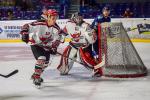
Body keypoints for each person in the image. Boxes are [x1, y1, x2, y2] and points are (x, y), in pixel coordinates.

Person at [20, 9, 66, 86]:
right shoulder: (39, 23)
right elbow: (26, 26)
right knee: (41, 58)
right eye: (52, 17)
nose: (54, 20)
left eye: (56, 18)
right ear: (48, 17)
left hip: (46, 46)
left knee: (46, 64)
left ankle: (35, 74)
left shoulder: (56, 28)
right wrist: (24, 33)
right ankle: (37, 77)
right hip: (36, 44)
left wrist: (54, 47)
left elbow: (58, 39)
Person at [88, 6, 111, 76]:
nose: (106, 12)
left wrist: (109, 33)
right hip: (95, 37)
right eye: (105, 11)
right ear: (103, 12)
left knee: (103, 52)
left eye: (107, 11)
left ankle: (100, 67)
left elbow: (107, 28)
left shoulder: (109, 19)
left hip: (101, 38)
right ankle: (96, 70)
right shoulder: (100, 18)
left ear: (109, 12)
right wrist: (96, 36)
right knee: (97, 53)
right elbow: (94, 28)